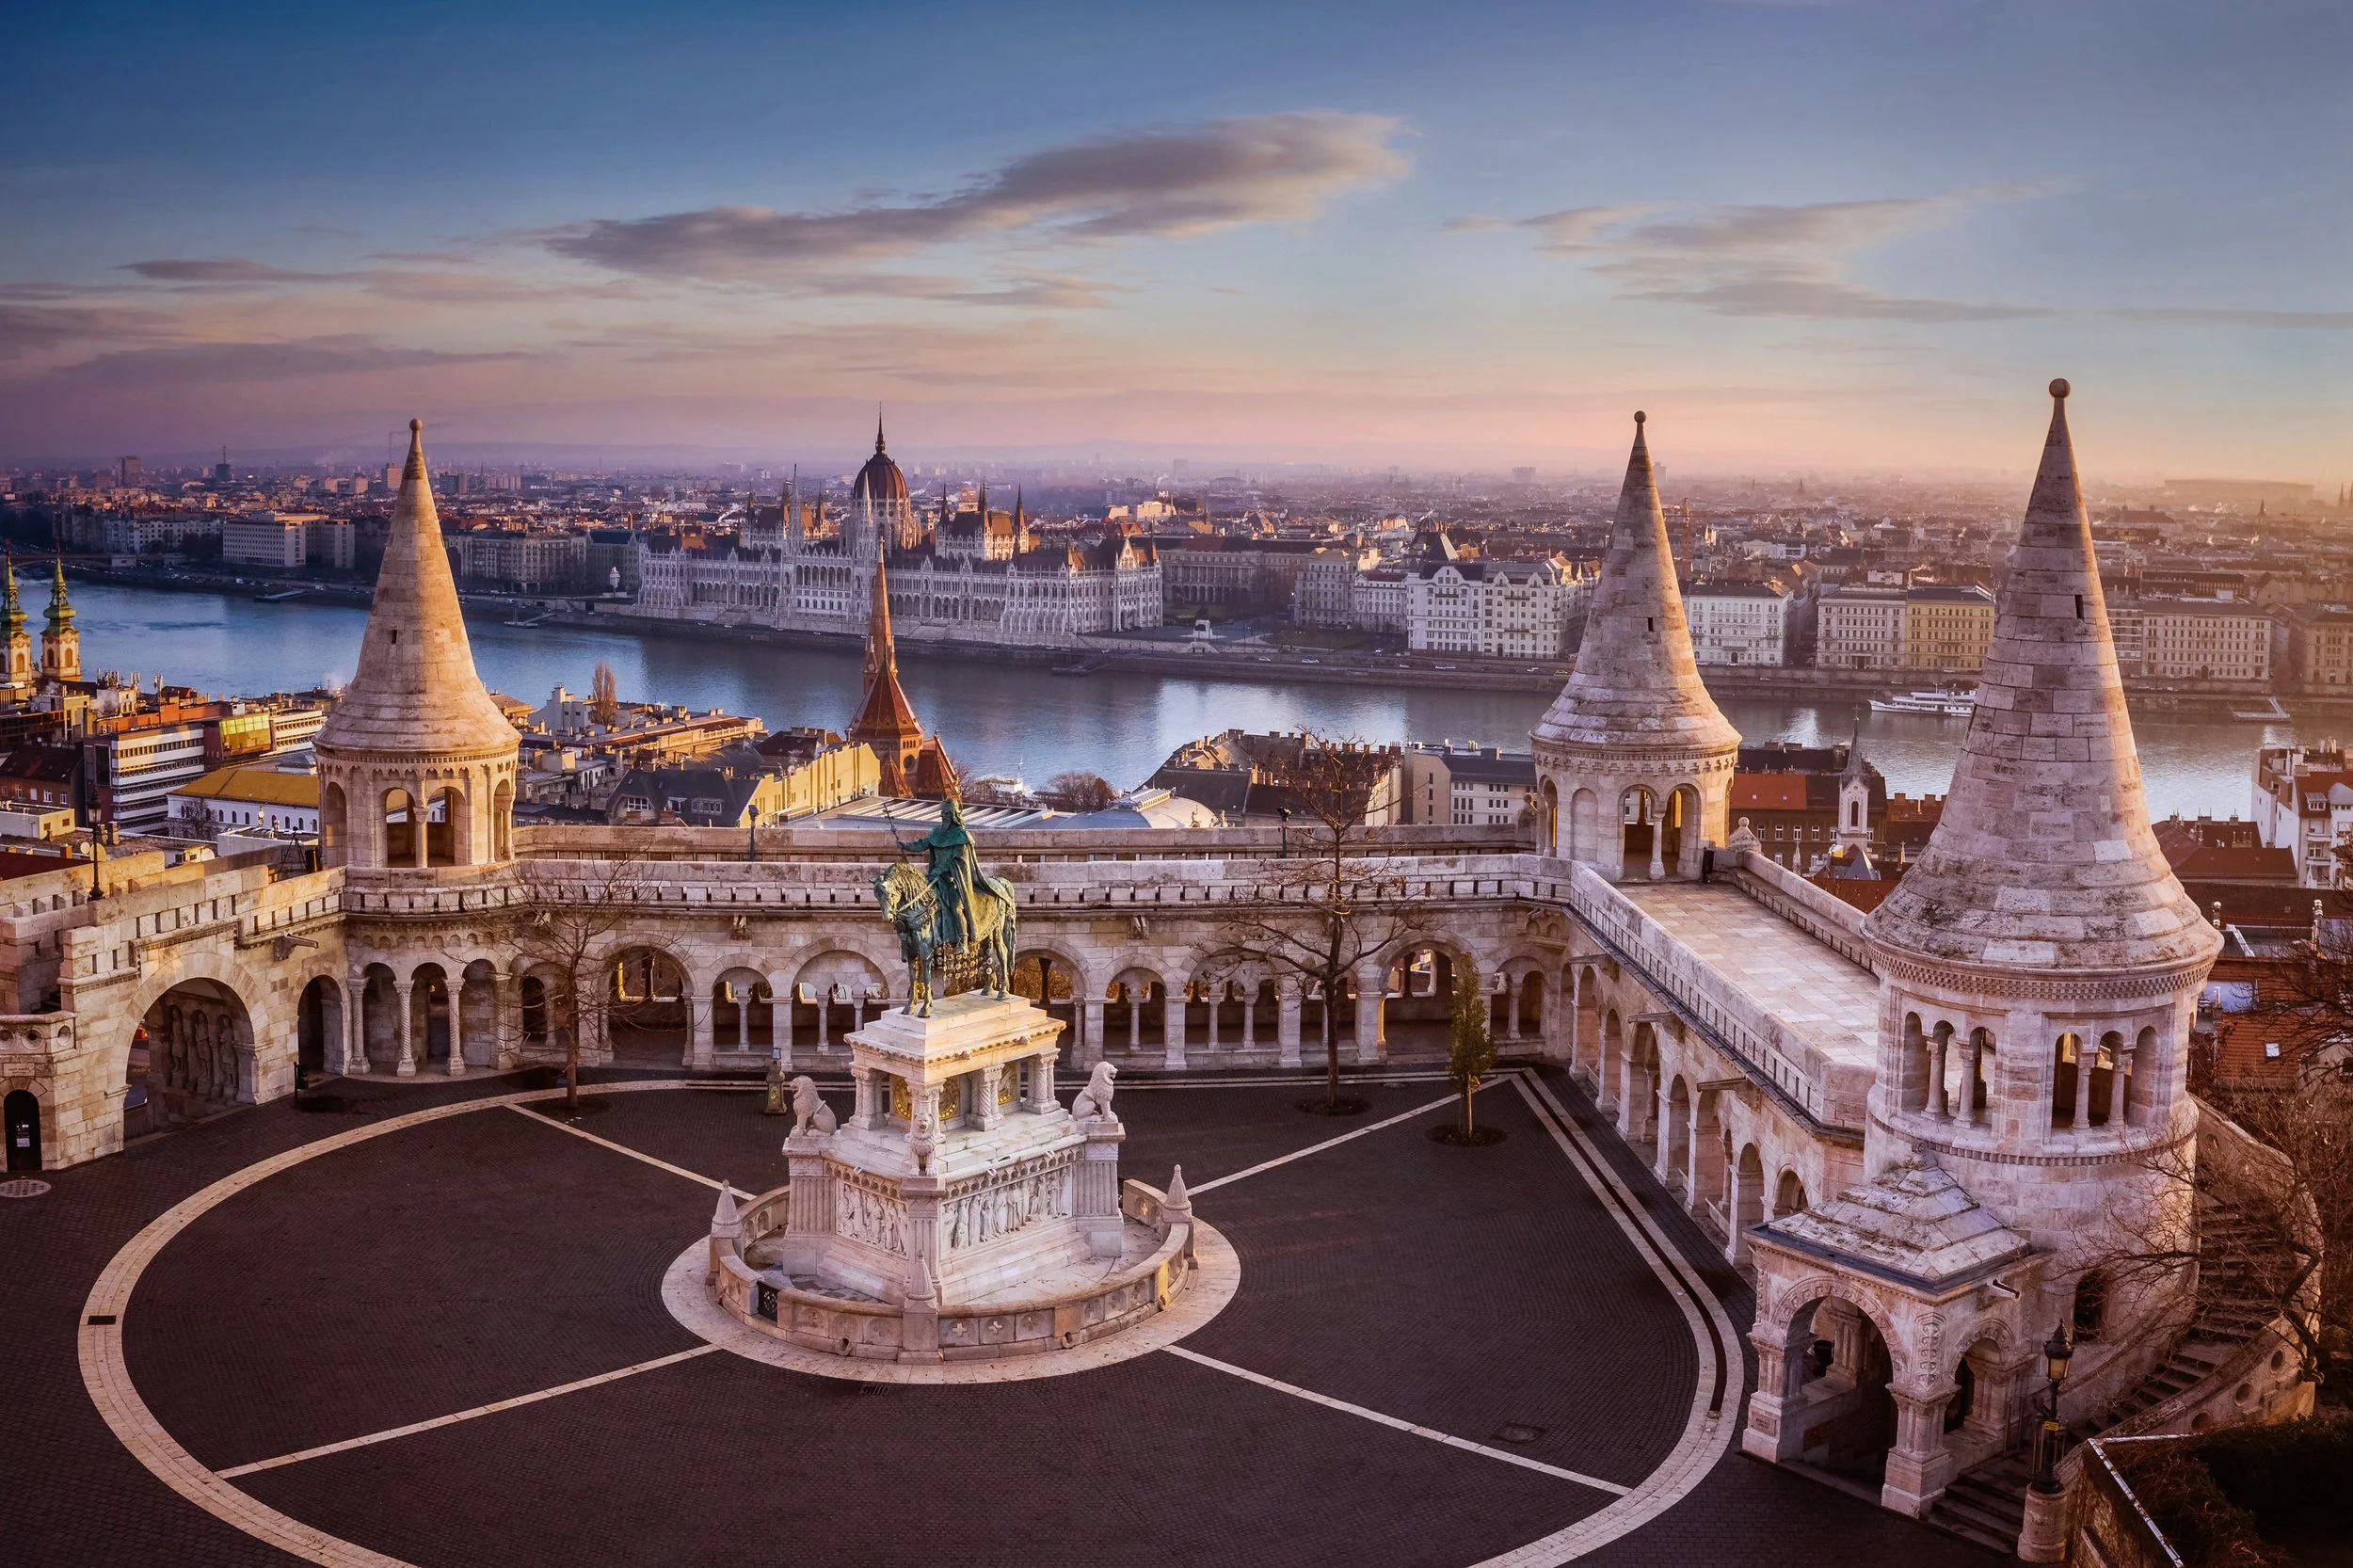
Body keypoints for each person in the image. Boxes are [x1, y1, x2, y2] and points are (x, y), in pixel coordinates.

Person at [891, 799, 982, 948]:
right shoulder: (936, 833)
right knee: (919, 900)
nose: (944, 816)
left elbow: (961, 862)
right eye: (942, 814)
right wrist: (906, 845)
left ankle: (963, 940)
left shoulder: (961, 835)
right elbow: (923, 844)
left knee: (956, 906)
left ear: (953, 815)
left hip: (953, 879)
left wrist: (946, 869)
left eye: (947, 814)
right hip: (934, 877)